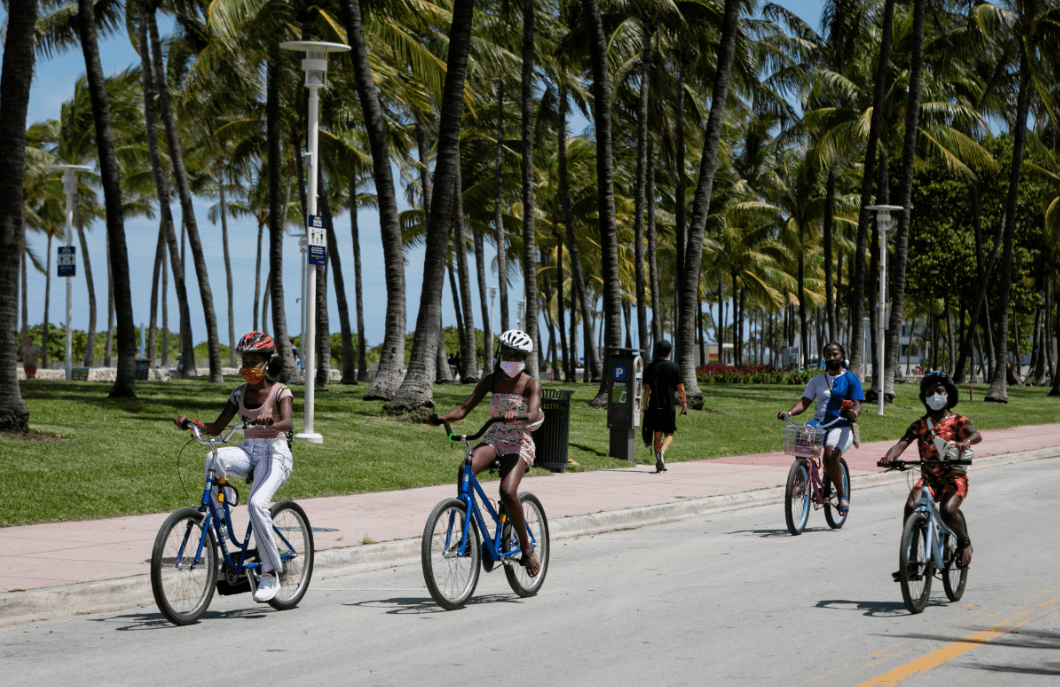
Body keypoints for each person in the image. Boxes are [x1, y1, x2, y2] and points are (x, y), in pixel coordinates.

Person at [174, 331, 294, 603]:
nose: (248, 367)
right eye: (245, 361)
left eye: (255, 361)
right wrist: (192, 423)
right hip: (249, 452)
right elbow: (216, 428)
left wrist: (270, 422)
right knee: (213, 459)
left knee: (257, 505)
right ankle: (221, 522)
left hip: (275, 454)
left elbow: (287, 423)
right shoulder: (238, 394)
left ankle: (270, 572)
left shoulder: (280, 391)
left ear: (267, 363)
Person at [428, 329, 545, 576]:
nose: (510, 359)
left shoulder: (530, 383)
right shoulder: (491, 380)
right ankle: (468, 536)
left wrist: (520, 416)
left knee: (507, 491)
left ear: (524, 358)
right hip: (494, 437)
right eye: (506, 353)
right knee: (465, 469)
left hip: (518, 441)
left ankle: (526, 550)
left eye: (516, 355)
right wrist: (441, 418)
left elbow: (534, 413)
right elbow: (463, 409)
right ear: (499, 354)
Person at [878, 371, 981, 573]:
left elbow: (975, 435)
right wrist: (889, 457)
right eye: (930, 393)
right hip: (929, 479)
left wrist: (965, 442)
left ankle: (964, 541)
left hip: (954, 477)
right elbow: (901, 444)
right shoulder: (919, 425)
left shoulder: (958, 421)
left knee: (947, 511)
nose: (935, 396)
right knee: (910, 507)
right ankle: (912, 562)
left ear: (948, 395)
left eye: (939, 391)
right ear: (924, 399)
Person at [777, 342, 863, 516]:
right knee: (802, 433)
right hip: (820, 423)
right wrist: (789, 412)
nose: (832, 358)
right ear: (824, 358)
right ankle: (801, 478)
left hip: (840, 425)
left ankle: (841, 495)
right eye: (828, 355)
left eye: (835, 354)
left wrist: (852, 413)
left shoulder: (851, 379)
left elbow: (857, 406)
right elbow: (804, 402)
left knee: (830, 457)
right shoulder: (816, 380)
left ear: (842, 356)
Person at [642, 340, 687, 473]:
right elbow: (680, 388)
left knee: (657, 435)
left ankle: (659, 463)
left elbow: (646, 389)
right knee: (670, 434)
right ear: (669, 352)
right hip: (668, 406)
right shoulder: (674, 367)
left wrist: (645, 405)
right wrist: (684, 403)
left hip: (654, 405)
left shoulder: (651, 367)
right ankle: (662, 451)